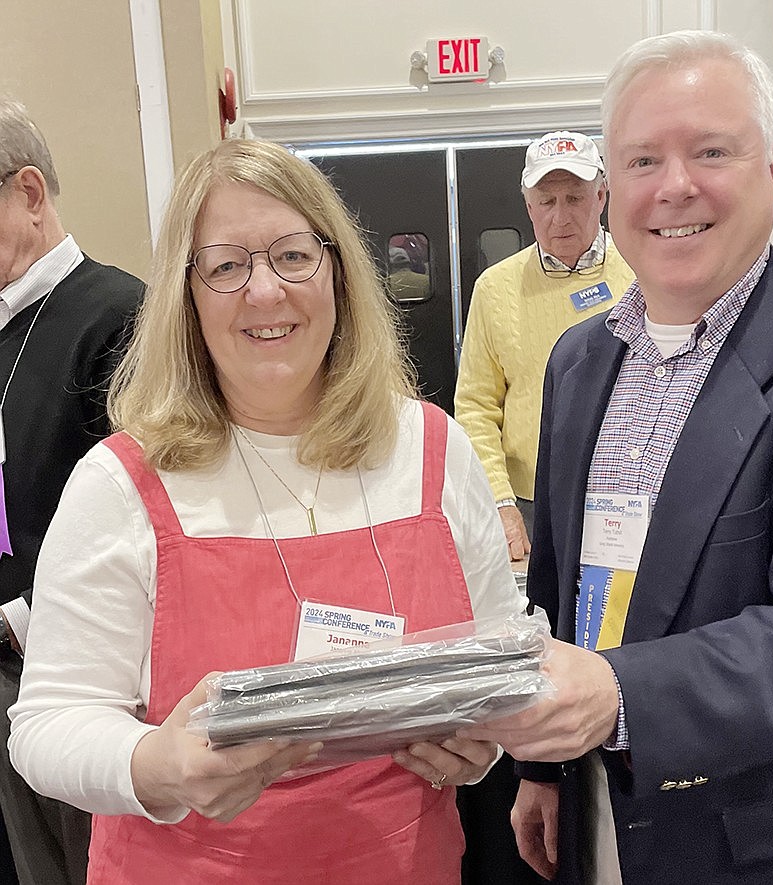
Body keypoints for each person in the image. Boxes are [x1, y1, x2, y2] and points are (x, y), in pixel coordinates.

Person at [465, 30, 773, 885]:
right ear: (613, 188)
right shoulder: (579, 362)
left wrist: (618, 697)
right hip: (592, 807)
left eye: (710, 151)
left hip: (757, 843)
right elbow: (557, 590)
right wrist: (543, 770)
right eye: (644, 159)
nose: (674, 186)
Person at [8, 138, 525, 885]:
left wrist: (484, 744)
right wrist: (156, 763)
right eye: (225, 266)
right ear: (185, 297)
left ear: (338, 272)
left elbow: (499, 649)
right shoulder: (120, 483)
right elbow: (46, 723)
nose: (264, 291)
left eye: (291, 255)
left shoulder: (430, 449)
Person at [0, 98, 143, 885]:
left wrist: (29, 614)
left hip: (78, 666)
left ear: (29, 191)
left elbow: (144, 504)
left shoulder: (119, 314)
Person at [454, 131, 635, 562]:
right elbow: (476, 407)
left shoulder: (641, 273)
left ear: (602, 196)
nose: (560, 218)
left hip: (630, 495)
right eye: (547, 202)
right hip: (531, 504)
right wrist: (500, 502)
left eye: (574, 199)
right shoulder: (495, 288)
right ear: (528, 206)